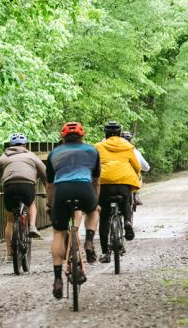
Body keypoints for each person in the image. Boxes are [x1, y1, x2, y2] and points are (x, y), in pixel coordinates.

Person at [46, 122, 100, 300]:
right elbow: (96, 180)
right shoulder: (92, 151)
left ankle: (57, 280)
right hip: (84, 188)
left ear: (63, 137)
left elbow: (50, 184)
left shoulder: (54, 154)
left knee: (59, 233)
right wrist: (95, 201)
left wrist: (50, 203)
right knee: (93, 211)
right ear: (82, 136)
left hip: (62, 191)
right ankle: (89, 241)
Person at [94, 121, 143, 262]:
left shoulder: (98, 147)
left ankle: (105, 253)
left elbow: (93, 165)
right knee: (126, 202)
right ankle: (127, 221)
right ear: (119, 133)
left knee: (104, 217)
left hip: (105, 184)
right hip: (123, 183)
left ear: (105, 133)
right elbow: (137, 166)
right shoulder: (128, 147)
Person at [0, 134, 46, 257]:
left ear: (10, 145)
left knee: (10, 220)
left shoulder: (3, 157)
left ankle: (10, 254)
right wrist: (48, 188)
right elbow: (44, 173)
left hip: (9, 187)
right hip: (27, 186)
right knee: (31, 203)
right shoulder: (31, 156)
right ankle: (32, 226)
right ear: (25, 145)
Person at [122, 129, 150, 215]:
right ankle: (136, 196)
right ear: (130, 140)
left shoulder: (110, 149)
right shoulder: (134, 151)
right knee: (138, 176)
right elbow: (144, 166)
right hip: (130, 178)